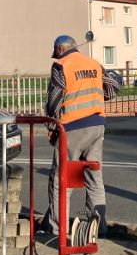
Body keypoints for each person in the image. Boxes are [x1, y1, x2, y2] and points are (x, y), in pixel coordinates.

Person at [39, 35, 120, 238]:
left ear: (59, 50)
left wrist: (52, 126)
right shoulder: (94, 64)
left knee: (60, 180)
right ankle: (98, 229)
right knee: (94, 177)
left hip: (72, 127)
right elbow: (112, 88)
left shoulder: (61, 66)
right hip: (97, 125)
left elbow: (54, 101)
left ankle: (57, 230)